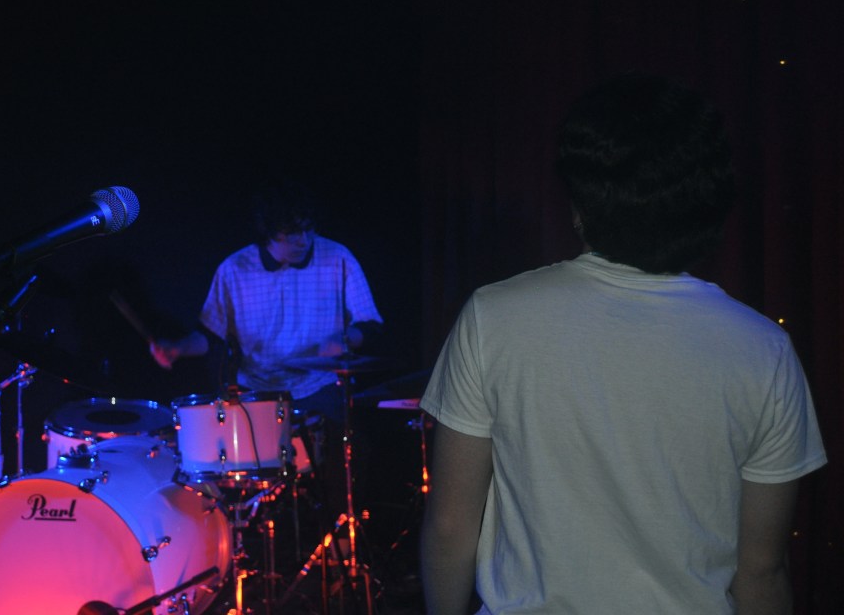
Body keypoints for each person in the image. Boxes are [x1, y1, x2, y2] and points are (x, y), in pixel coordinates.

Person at [419, 73, 827, 615]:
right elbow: (761, 571)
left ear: (581, 199)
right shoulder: (764, 349)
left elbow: (451, 527)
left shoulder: (492, 317)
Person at [150, 178, 384, 514]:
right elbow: (211, 337)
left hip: (318, 386)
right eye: (291, 234)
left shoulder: (338, 257)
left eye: (308, 230)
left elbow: (371, 324)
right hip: (257, 392)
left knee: (352, 451)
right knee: (231, 467)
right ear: (269, 234)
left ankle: (341, 532)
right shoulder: (234, 269)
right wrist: (178, 349)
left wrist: (344, 339)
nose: (303, 240)